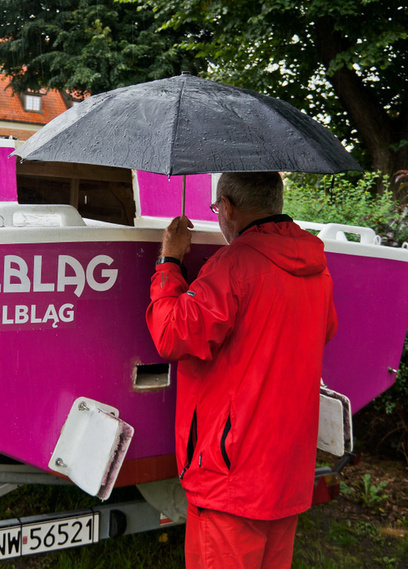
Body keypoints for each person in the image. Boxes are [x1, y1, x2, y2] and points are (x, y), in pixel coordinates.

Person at [145, 172, 338, 569]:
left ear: (228, 207)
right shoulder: (317, 267)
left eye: (217, 209)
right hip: (286, 470)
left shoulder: (235, 264)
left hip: (232, 477)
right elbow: (325, 330)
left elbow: (172, 335)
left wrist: (170, 262)